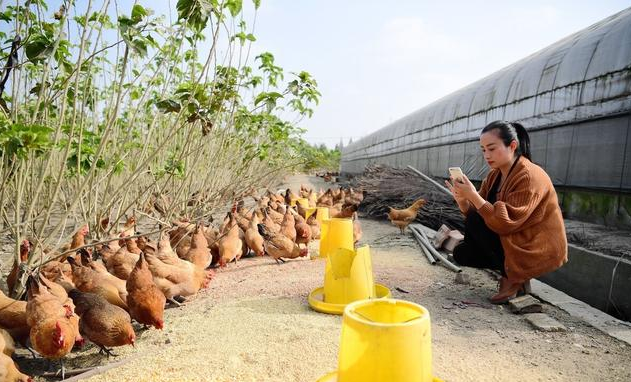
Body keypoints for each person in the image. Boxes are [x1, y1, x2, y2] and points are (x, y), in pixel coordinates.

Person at [445, 120, 568, 304]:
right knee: (463, 253)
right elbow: (477, 213)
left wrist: (473, 196)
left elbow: (504, 222)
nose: (487, 155)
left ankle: (513, 278)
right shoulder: (495, 175)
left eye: (492, 148)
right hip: (512, 236)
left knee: (476, 220)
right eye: (483, 150)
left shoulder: (528, 175)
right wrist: (463, 200)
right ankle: (511, 270)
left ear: (512, 146)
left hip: (532, 244)